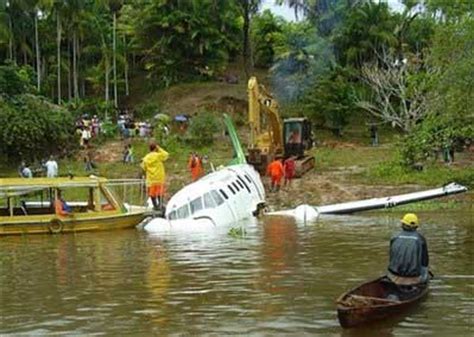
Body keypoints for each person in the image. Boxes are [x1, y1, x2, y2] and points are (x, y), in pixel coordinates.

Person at [387, 213, 429, 285]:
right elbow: (425, 262)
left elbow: (391, 258)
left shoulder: (394, 237)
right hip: (414, 278)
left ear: (403, 224)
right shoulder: (420, 239)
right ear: (416, 226)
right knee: (425, 269)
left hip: (393, 277)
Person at [141, 142, 169, 211]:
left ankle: (155, 206)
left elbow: (143, 167)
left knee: (152, 194)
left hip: (151, 179)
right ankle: (160, 205)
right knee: (160, 193)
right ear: (155, 148)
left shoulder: (146, 158)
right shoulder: (158, 156)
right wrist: (159, 148)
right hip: (159, 178)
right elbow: (166, 155)